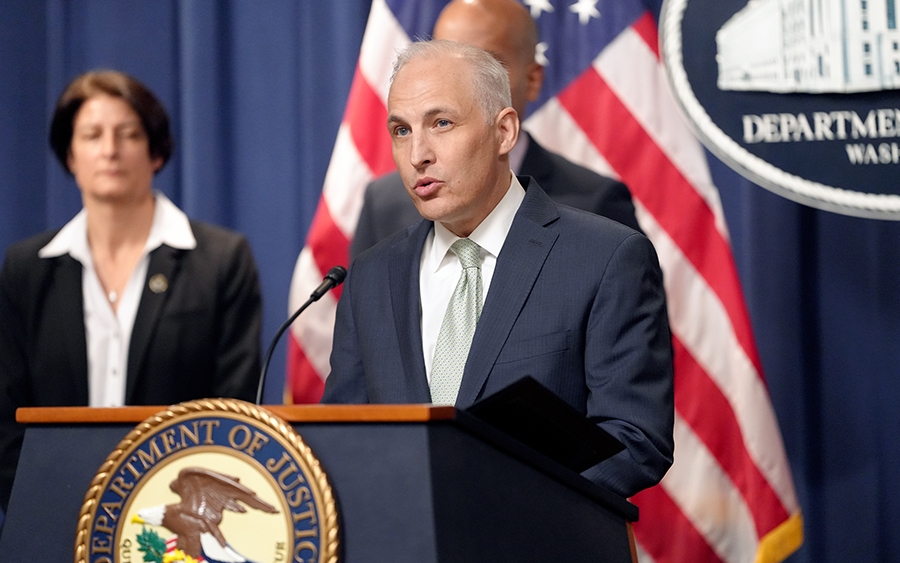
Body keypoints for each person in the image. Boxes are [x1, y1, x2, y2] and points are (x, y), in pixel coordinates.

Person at [322, 40, 674, 499]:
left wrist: (493, 505)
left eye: (441, 123)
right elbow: (346, 439)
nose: (417, 155)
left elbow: (634, 437)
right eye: (401, 130)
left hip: (539, 556)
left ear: (504, 132)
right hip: (407, 560)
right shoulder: (371, 275)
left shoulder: (605, 257)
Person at [0, 70, 263, 511]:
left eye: (128, 134)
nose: (110, 150)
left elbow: (231, 412)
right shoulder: (27, 270)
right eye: (91, 135)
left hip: (176, 522)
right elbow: (7, 420)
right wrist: (43, 510)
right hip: (50, 515)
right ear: (70, 154)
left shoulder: (220, 260)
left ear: (155, 152)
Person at [351, 0, 640, 258]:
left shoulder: (595, 203)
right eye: (445, 60)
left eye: (485, 64)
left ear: (533, 79)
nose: (461, 80)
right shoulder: (384, 204)